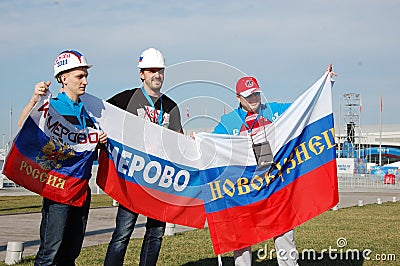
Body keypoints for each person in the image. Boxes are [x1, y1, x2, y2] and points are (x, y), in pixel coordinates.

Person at [18, 50, 108, 266]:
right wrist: (33, 100)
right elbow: (23, 128)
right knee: (50, 252)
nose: (85, 81)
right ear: (64, 78)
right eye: (80, 76)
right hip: (58, 189)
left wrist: (100, 140)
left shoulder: (88, 111)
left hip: (81, 189)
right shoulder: (52, 104)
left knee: (72, 251)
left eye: (86, 76)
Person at [104, 47, 183, 266]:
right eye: (151, 71)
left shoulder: (171, 106)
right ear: (142, 74)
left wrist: (190, 145)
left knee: (155, 235)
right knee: (122, 233)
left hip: (159, 182)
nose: (156, 75)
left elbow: (179, 141)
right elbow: (99, 114)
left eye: (160, 71)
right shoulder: (125, 99)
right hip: (133, 179)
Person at [212, 76, 298, 266]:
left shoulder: (274, 110)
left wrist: (326, 83)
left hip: (274, 187)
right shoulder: (228, 121)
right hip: (244, 191)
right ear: (238, 97)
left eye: (256, 94)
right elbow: (212, 143)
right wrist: (199, 140)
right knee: (242, 239)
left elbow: (305, 108)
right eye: (249, 96)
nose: (254, 99)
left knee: (284, 234)